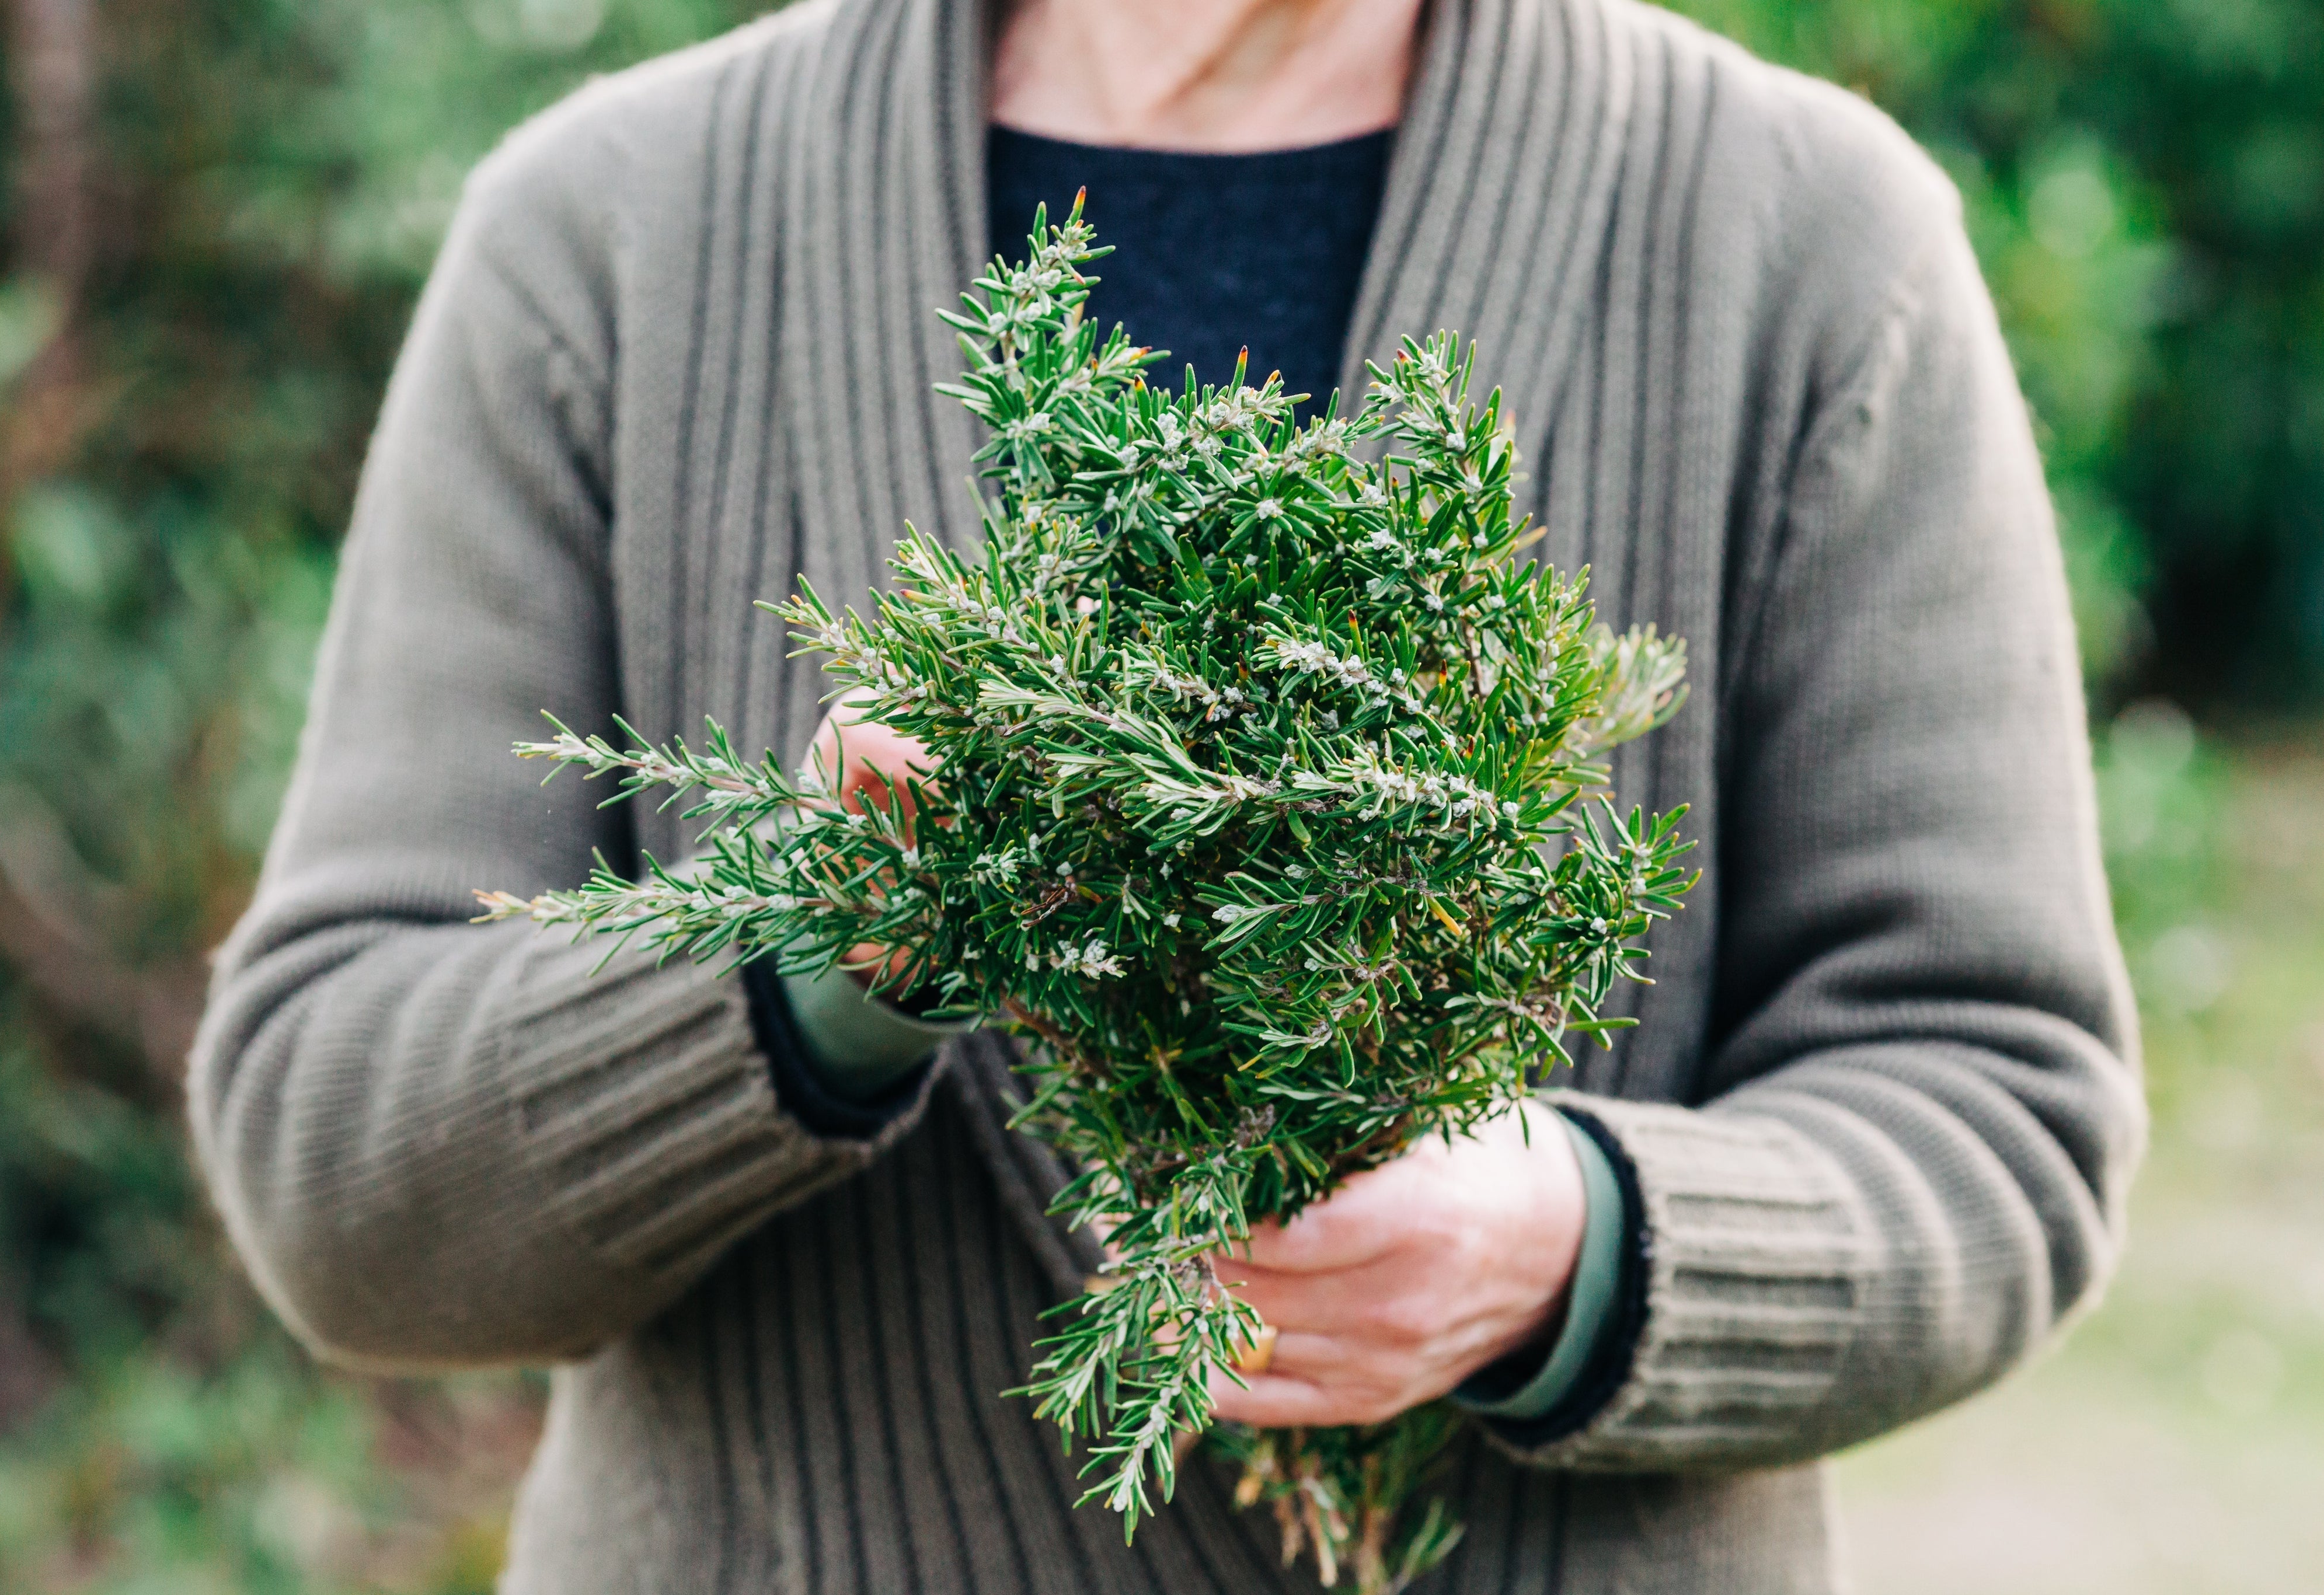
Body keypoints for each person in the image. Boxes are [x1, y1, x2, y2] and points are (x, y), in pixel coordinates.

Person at [187, 0, 2145, 1589]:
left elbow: (2000, 1111)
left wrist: (1577, 1243)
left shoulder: (1804, 241)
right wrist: (806, 967)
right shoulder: (610, 234)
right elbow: (331, 1170)